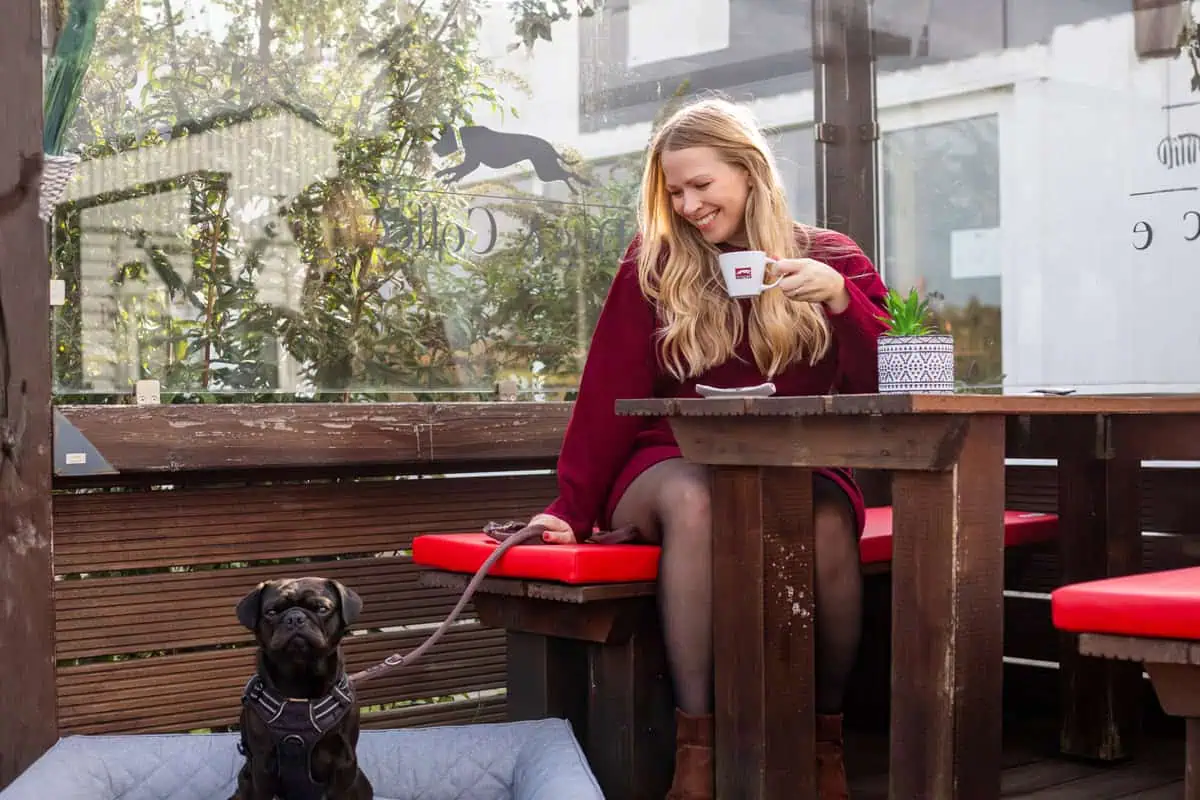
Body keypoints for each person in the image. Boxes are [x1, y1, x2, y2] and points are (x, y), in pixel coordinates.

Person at [520, 97, 889, 800]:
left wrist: (843, 301)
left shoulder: (833, 259)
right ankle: (698, 752)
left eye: (702, 185)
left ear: (749, 173)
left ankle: (823, 746)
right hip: (666, 463)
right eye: (674, 190)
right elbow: (605, 397)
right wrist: (571, 506)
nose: (688, 204)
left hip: (798, 463)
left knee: (828, 522)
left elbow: (894, 382)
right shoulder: (653, 266)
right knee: (696, 498)